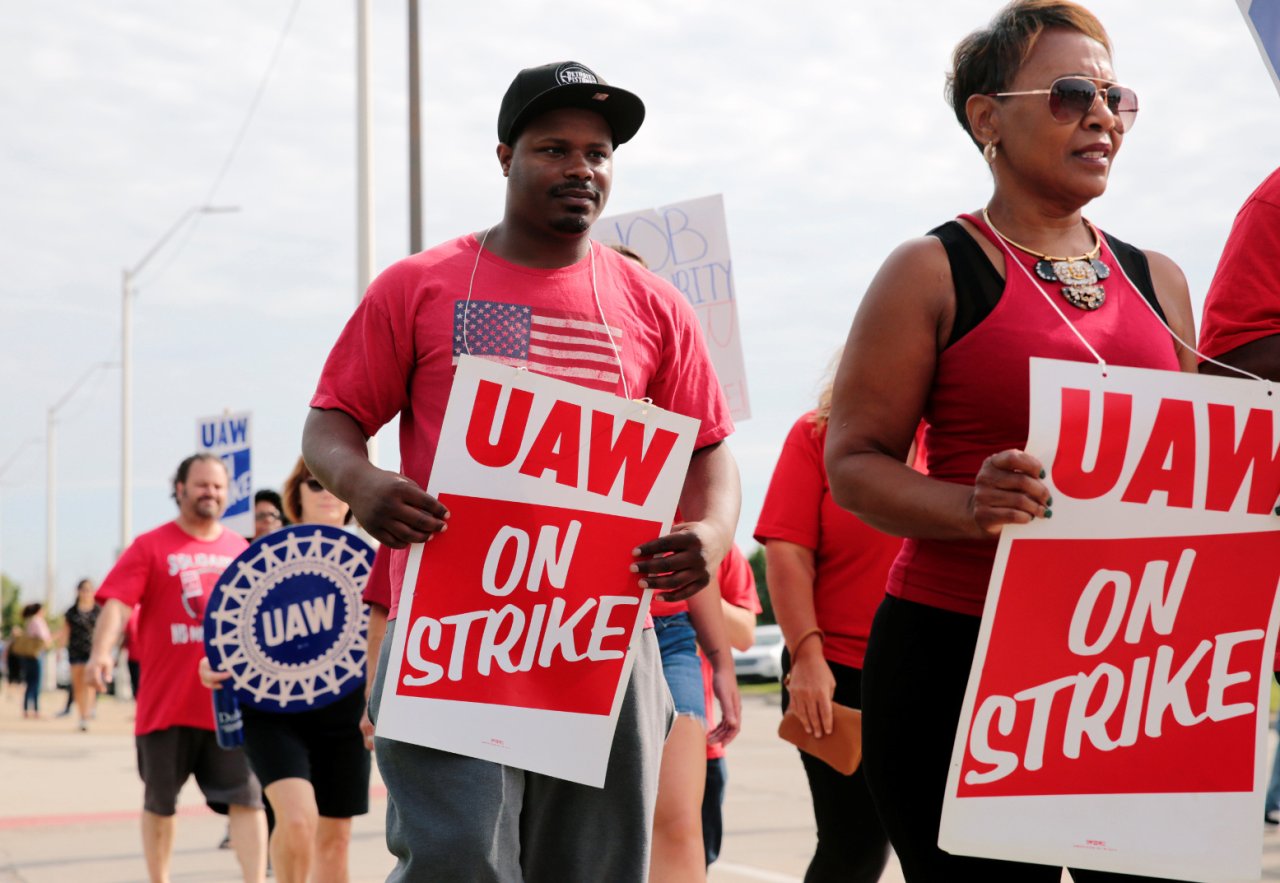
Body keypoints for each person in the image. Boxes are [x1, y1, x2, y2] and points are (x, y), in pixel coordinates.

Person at [302, 60, 739, 883]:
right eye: (554, 148)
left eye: (599, 152)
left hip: (605, 635)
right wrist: (362, 485)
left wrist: (713, 530)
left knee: (595, 865)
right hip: (454, 631)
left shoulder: (652, 304)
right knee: (459, 859)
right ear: (504, 156)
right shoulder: (421, 286)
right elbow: (330, 421)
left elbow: (708, 447)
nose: (582, 167)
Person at [822, 2, 1196, 880]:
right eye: (1072, 93)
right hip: (957, 658)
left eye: (1115, 97)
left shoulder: (1162, 281)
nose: (1102, 115)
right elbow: (853, 461)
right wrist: (968, 504)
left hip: (1127, 666)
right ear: (987, 117)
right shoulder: (930, 266)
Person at [607, 235, 742, 883]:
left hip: (667, 636)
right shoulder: (554, 410)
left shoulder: (682, 435)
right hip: (565, 624)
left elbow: (695, 557)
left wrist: (721, 661)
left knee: (678, 815)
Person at [754, 365, 904, 883]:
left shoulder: (960, 438)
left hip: (942, 663)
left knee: (945, 849)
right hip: (839, 673)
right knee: (855, 847)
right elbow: (788, 554)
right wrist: (808, 659)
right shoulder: (816, 434)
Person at [88, 453, 267, 883]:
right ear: (180, 488)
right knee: (160, 804)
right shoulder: (151, 545)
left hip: (228, 706)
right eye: (202, 484)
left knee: (249, 801)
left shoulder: (241, 551)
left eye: (219, 486)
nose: (211, 493)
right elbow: (116, 605)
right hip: (165, 707)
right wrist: (101, 652)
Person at [202, 456, 369, 883]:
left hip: (347, 711)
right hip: (273, 713)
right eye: (316, 483)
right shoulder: (265, 558)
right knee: (296, 820)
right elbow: (230, 630)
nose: (329, 492)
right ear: (295, 494)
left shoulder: (374, 558)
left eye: (340, 482)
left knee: (335, 842)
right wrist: (212, 665)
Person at [699, 545, 760, 869]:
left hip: (702, 743)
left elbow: (745, 633)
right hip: (618, 738)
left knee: (694, 863)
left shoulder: (719, 547)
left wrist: (696, 586)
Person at [56, 578, 101, 730]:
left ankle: (88, 712)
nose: (86, 593)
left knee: (90, 684)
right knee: (78, 685)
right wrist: (59, 650)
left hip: (92, 652)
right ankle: (82, 716)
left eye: (89, 590)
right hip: (75, 651)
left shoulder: (98, 611)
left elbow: (103, 632)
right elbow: (65, 632)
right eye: (84, 590)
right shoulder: (71, 612)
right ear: (78, 592)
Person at [16, 602, 52, 718]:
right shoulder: (37, 620)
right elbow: (43, 636)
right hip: (35, 654)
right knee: (35, 683)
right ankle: (35, 710)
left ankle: (27, 709)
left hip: (27, 655)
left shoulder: (29, 620)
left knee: (30, 682)